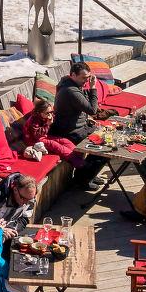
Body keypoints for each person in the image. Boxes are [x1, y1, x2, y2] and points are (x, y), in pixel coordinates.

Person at [53, 61, 105, 195]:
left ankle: (89, 174)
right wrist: (93, 88)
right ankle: (82, 179)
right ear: (73, 75)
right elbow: (92, 110)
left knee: (106, 135)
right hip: (70, 131)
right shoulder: (70, 90)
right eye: (83, 78)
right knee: (104, 147)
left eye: (88, 78)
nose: (86, 81)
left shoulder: (73, 85)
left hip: (80, 127)